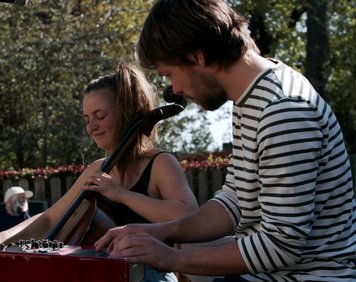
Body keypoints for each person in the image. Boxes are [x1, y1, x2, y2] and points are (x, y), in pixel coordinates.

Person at [94, 1, 356, 281]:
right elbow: (235, 201)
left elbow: (282, 245)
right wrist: (160, 230)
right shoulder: (251, 98)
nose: (175, 89)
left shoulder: (283, 110)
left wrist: (172, 258)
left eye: (170, 74)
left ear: (197, 57)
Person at [0, 62, 199, 282]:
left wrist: (121, 194)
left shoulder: (160, 162)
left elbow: (189, 216)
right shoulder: (98, 168)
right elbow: (51, 217)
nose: (91, 127)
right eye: (87, 119)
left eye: (100, 116)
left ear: (126, 113)